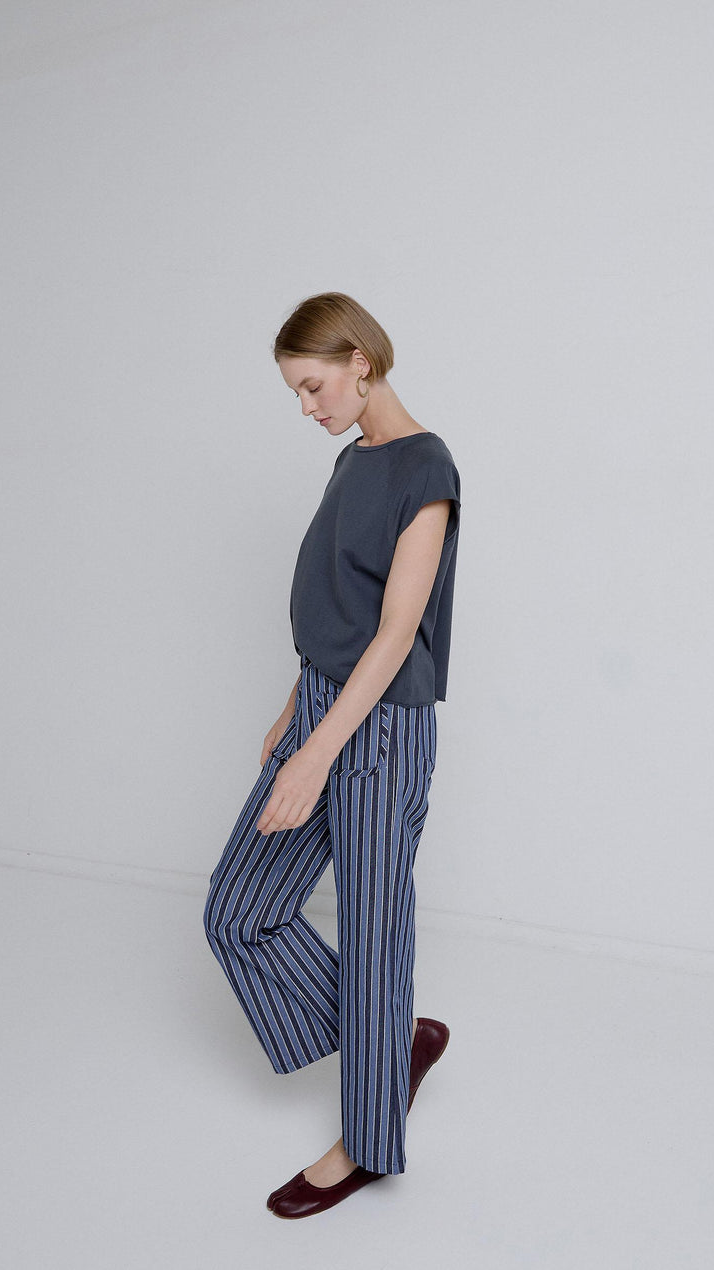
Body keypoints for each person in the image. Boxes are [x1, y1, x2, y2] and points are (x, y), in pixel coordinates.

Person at [203, 291, 461, 1220]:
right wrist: (294, 710)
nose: (306, 407)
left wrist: (316, 756)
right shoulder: (354, 460)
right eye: (296, 393)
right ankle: (388, 1047)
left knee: (373, 928)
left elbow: (394, 635)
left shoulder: (426, 467)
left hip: (380, 727)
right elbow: (338, 609)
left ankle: (367, 1136)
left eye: (313, 386)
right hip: (323, 701)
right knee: (238, 913)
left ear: (361, 361)